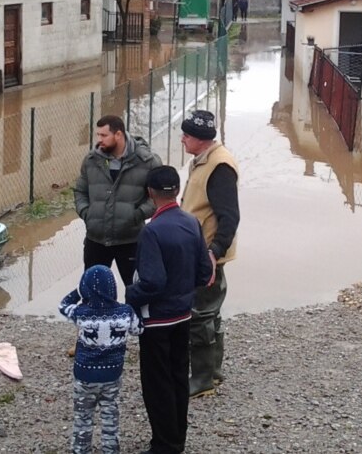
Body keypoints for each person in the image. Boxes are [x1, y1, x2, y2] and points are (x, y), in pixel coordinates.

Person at [126, 166, 214, 454]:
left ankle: (163, 444)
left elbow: (152, 281)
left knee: (156, 383)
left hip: (156, 320)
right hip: (183, 315)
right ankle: (177, 438)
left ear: (150, 193)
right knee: (178, 376)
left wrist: (130, 296)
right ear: (176, 190)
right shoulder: (192, 223)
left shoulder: (151, 231)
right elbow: (204, 273)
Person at [179, 110, 239, 398]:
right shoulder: (202, 160)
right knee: (210, 311)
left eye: (186, 135)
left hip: (207, 256)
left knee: (200, 314)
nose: (182, 140)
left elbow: (230, 216)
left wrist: (214, 254)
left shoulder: (220, 166)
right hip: (200, 251)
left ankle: (202, 379)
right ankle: (213, 371)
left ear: (200, 139)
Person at [59, 265, 143, 454]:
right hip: (112, 375)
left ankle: (81, 449)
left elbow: (62, 306)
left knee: (83, 416)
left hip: (84, 376)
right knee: (110, 413)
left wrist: (78, 292)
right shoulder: (125, 312)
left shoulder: (81, 314)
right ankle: (110, 449)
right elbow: (139, 330)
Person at [74, 115, 161, 287]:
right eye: (97, 135)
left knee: (136, 291)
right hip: (96, 240)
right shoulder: (91, 160)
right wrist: (87, 214)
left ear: (119, 135)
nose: (99, 140)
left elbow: (157, 197)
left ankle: (134, 315)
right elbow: (80, 191)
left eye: (104, 135)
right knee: (92, 291)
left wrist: (136, 216)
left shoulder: (148, 162)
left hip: (131, 241)